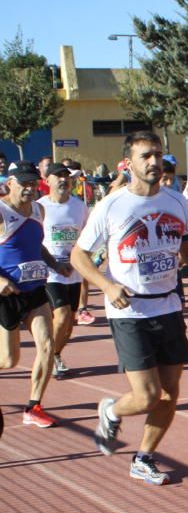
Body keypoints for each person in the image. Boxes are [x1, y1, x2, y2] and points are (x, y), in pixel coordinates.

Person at [72, 131, 188, 485]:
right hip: (130, 311)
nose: (154, 162)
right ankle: (111, 409)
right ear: (130, 163)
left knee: (170, 393)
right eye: (145, 157)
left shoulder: (176, 202)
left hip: (168, 307)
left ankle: (144, 457)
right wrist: (106, 284)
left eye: (158, 155)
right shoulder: (111, 206)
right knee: (147, 395)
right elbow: (79, 256)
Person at [1, 161, 66, 429]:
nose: (29, 189)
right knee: (8, 360)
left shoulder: (39, 209)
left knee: (48, 346)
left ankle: (34, 406)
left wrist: (55, 264)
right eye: (23, 184)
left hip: (35, 290)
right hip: (6, 294)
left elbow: (36, 245)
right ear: (10, 184)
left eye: (32, 183)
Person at [38, 162, 89, 380]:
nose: (63, 180)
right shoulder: (39, 207)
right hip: (50, 271)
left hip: (73, 271)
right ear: (47, 180)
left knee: (69, 323)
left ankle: (56, 353)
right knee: (61, 315)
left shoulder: (79, 207)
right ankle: (50, 356)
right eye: (57, 176)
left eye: (66, 176)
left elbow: (87, 238)